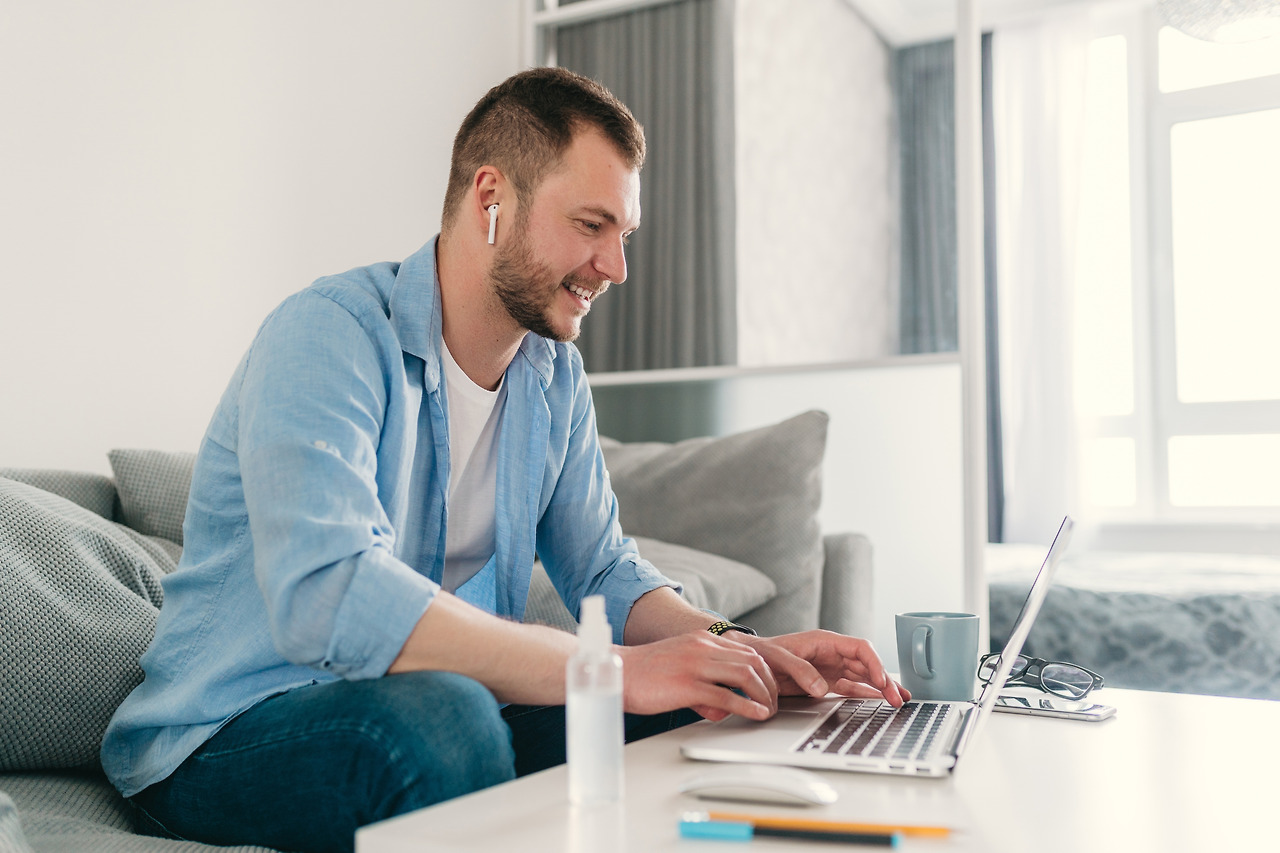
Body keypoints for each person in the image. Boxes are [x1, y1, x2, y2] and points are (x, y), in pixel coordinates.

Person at [101, 67, 908, 853]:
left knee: (699, 702)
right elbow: (330, 593)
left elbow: (604, 569)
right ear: (492, 198)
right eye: (590, 226)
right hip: (229, 732)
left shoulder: (551, 376)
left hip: (437, 706)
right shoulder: (331, 334)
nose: (616, 268)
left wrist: (736, 649)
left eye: (622, 236)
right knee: (451, 719)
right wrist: (612, 669)